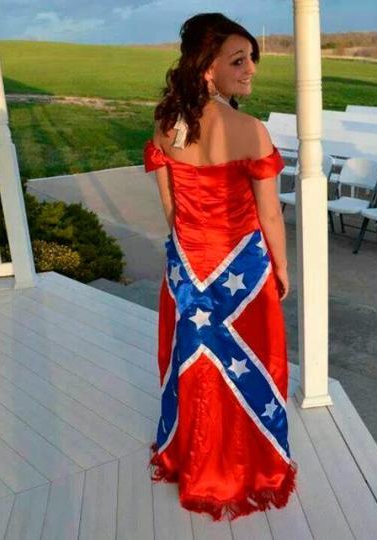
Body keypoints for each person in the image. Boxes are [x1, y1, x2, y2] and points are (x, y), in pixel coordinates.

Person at [143, 13, 295, 520]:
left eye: (251, 58)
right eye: (238, 60)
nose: (250, 68)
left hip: (187, 270)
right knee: (241, 368)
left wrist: (191, 250)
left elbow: (170, 208)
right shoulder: (251, 131)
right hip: (242, 277)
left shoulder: (166, 123)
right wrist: (282, 267)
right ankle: (243, 467)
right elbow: (270, 212)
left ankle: (194, 460)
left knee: (198, 368)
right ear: (207, 69)